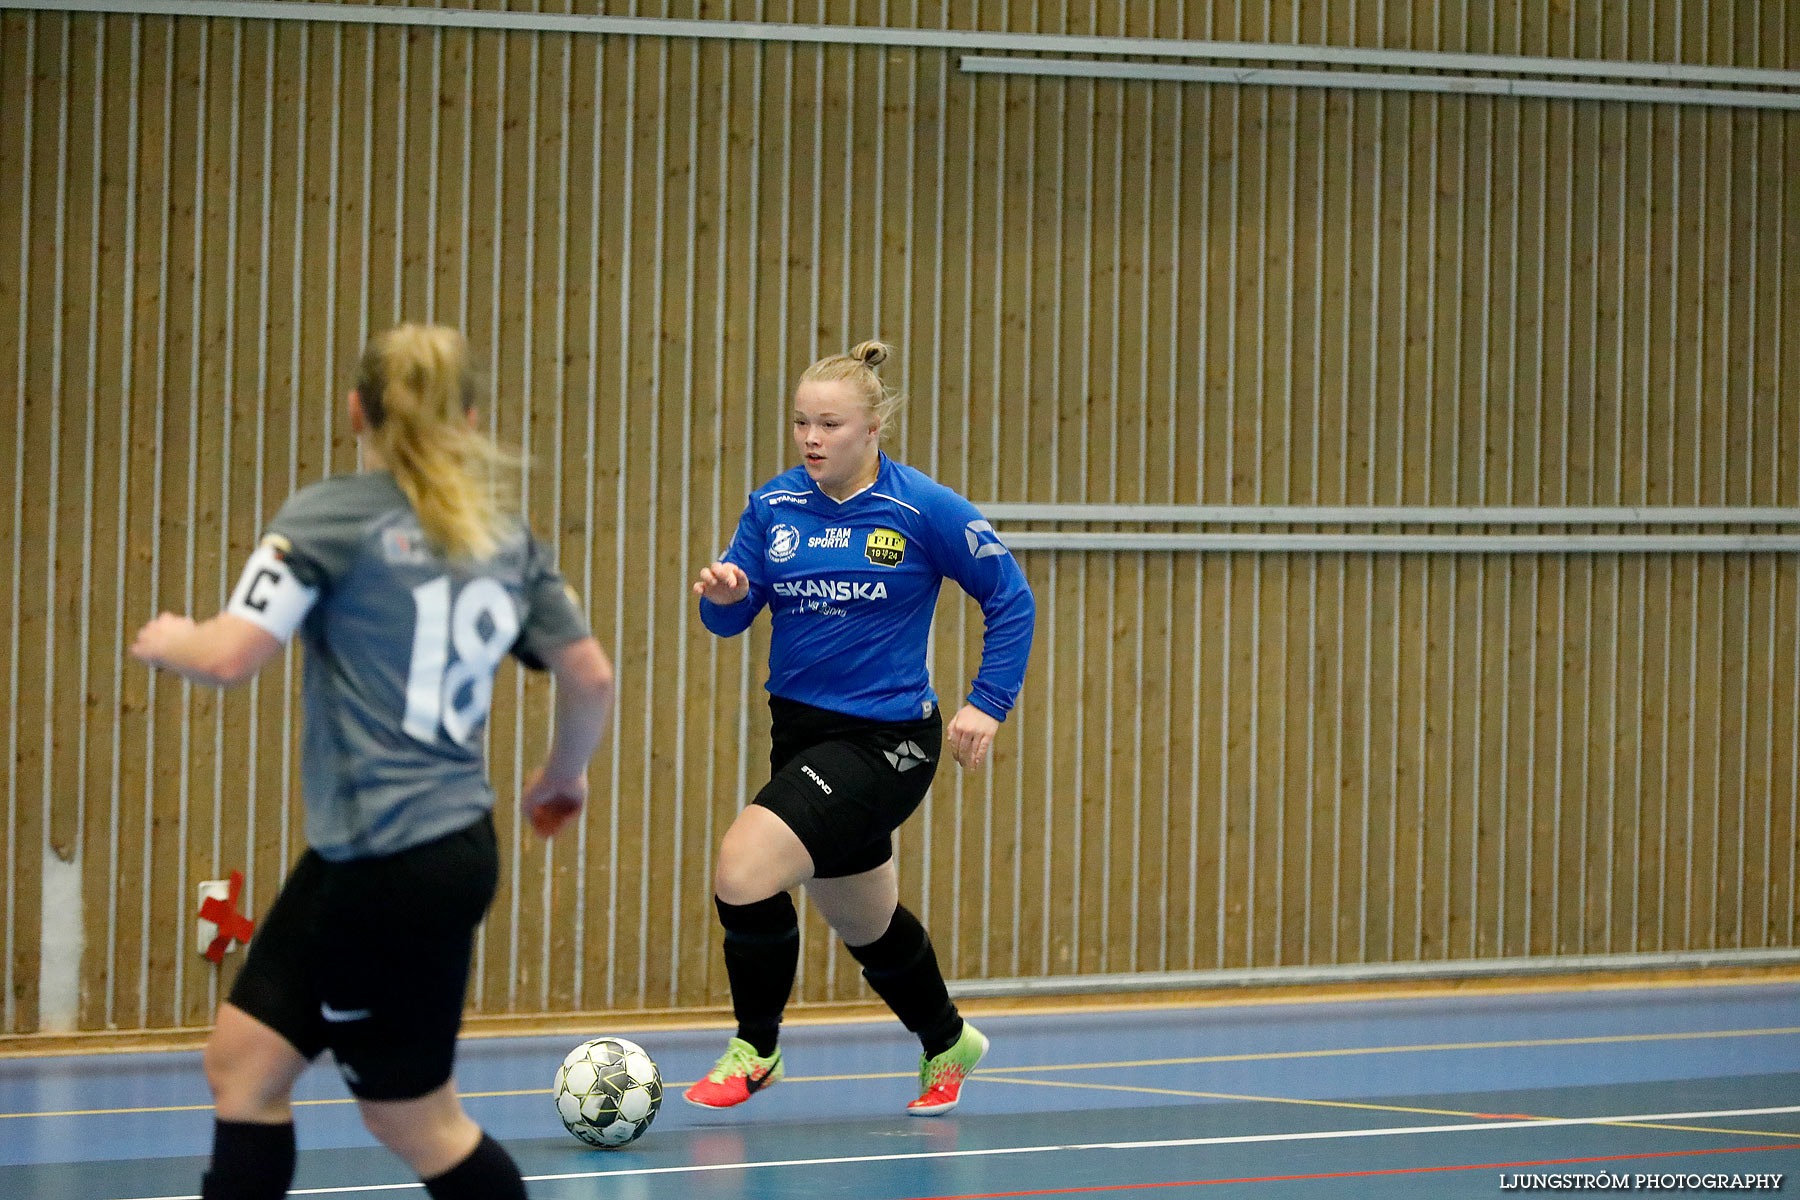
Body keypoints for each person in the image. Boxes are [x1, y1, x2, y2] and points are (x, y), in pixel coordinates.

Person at [130, 323, 614, 1200]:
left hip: (388, 859)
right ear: (468, 417)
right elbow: (590, 674)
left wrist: (171, 640)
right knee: (243, 1067)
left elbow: (232, 655)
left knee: (413, 1120)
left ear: (357, 410)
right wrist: (562, 777)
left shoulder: (332, 515)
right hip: (416, 850)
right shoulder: (503, 538)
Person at [686, 340, 1035, 1116]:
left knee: (742, 867)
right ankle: (948, 1038)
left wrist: (987, 703)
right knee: (867, 924)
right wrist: (725, 592)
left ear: (872, 428)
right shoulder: (773, 507)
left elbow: (1010, 597)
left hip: (888, 741)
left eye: (830, 424)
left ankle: (757, 1047)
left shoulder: (923, 508)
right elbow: (731, 619)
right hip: (800, 734)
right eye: (802, 423)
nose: (811, 438)